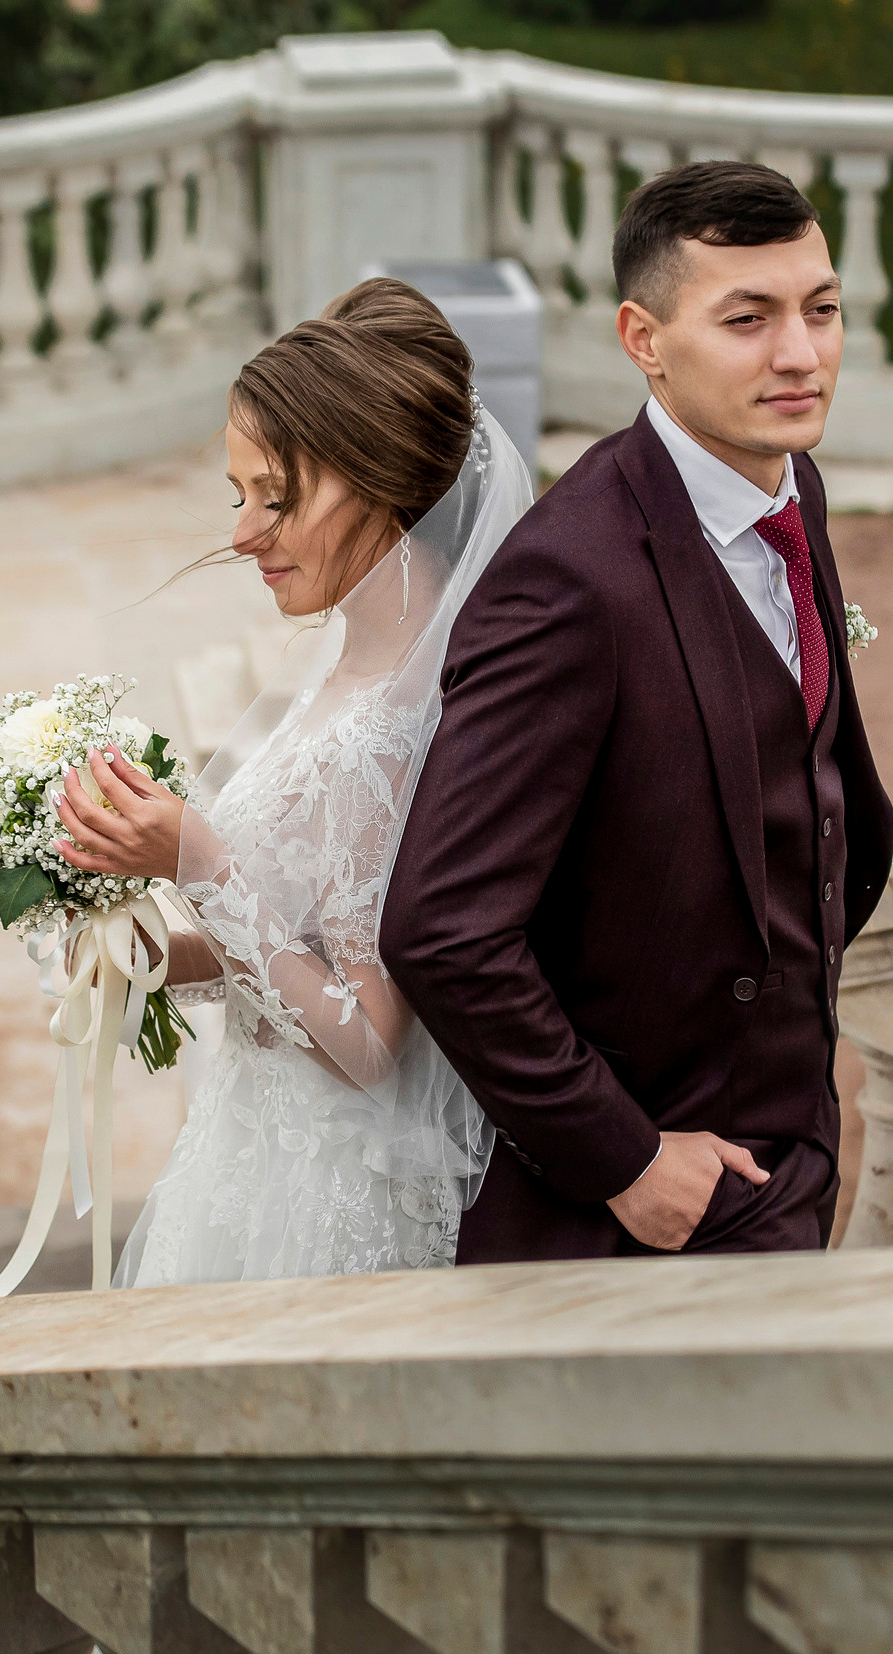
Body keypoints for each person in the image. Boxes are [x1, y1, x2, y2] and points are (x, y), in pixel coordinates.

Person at [381, 159, 893, 1266]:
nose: (800, 354)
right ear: (643, 337)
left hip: (789, 1140)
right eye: (747, 319)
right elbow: (442, 925)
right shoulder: (568, 580)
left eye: (821, 309)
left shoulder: (790, 484)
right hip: (645, 1203)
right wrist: (622, 1157)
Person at [44, 277, 534, 1285]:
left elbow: (366, 1040)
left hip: (328, 1203)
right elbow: (299, 941)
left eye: (279, 496)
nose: (241, 533)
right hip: (248, 1151)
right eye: (239, 496)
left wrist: (197, 856)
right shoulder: (340, 665)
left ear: (384, 479)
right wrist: (147, 953)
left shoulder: (407, 720)